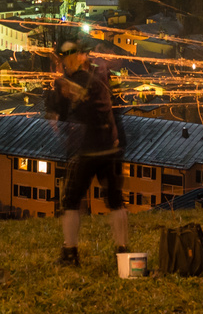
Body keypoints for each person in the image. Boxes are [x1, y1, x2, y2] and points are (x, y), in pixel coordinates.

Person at [46, 37, 128, 267]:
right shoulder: (100, 76)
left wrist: (56, 105)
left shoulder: (69, 82)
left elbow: (59, 115)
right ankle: (123, 250)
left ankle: (70, 253)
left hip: (86, 150)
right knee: (115, 201)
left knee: (71, 201)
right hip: (110, 145)